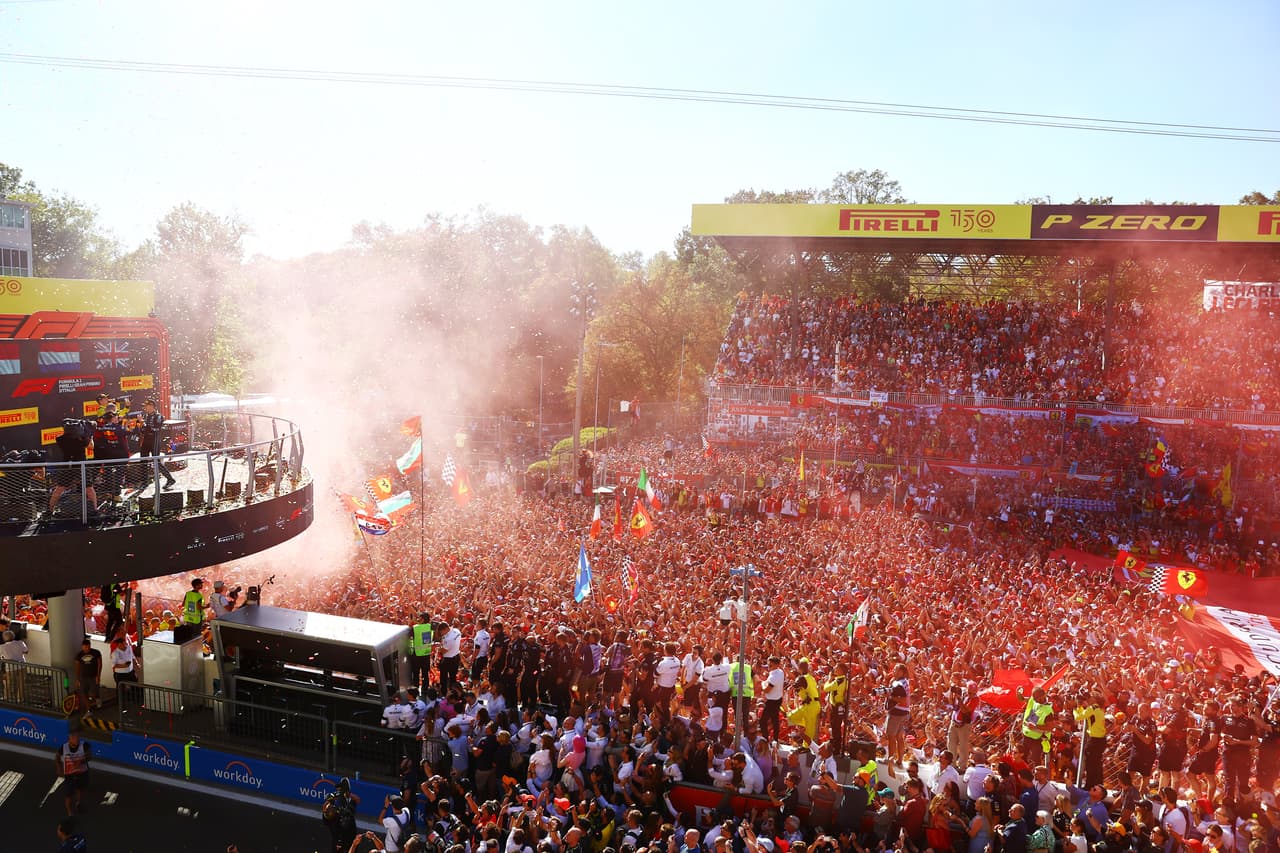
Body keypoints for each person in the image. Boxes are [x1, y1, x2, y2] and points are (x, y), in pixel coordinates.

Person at [47, 413, 97, 518]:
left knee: (60, 488)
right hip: (81, 466)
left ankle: (49, 510)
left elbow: (65, 422)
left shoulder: (60, 439)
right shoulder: (81, 439)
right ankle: (95, 510)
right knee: (89, 488)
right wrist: (89, 434)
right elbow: (91, 447)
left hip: (68, 465)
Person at [138, 398, 176, 489]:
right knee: (143, 461)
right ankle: (144, 482)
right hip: (146, 441)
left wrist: (143, 424)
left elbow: (155, 429)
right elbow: (143, 430)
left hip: (154, 441)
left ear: (151, 406)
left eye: (146, 406)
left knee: (156, 461)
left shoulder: (159, 416)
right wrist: (142, 426)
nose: (145, 408)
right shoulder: (146, 416)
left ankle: (170, 479)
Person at [56, 731, 92, 816]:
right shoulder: (63, 747)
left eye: (78, 737)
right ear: (70, 739)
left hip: (82, 773)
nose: (77, 739)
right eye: (75, 738)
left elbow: (90, 757)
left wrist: (81, 761)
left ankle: (78, 803)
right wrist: (59, 767)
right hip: (69, 775)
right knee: (69, 796)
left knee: (81, 789)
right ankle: (70, 813)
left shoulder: (84, 745)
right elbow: (57, 756)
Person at [73, 637, 102, 718]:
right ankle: (89, 710)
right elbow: (77, 667)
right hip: (83, 677)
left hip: (93, 676)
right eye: (85, 647)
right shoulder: (79, 655)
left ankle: (97, 698)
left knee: (94, 692)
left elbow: (100, 664)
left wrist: (98, 676)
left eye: (88, 646)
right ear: (82, 647)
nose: (87, 648)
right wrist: (77, 679)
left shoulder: (96, 653)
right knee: (84, 693)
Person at [410, 614, 434, 691]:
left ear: (423, 619)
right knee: (425, 674)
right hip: (426, 654)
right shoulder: (431, 627)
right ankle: (425, 689)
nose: (418, 619)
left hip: (417, 654)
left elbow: (410, 637)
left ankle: (415, 689)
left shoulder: (415, 628)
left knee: (416, 674)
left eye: (419, 618)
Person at [437, 621, 462, 693]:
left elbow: (443, 651)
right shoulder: (457, 631)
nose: (441, 634)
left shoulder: (448, 639)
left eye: (441, 632)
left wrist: (438, 648)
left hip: (448, 660)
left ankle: (444, 693)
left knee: (443, 678)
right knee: (453, 677)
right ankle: (453, 693)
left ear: (445, 629)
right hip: (456, 657)